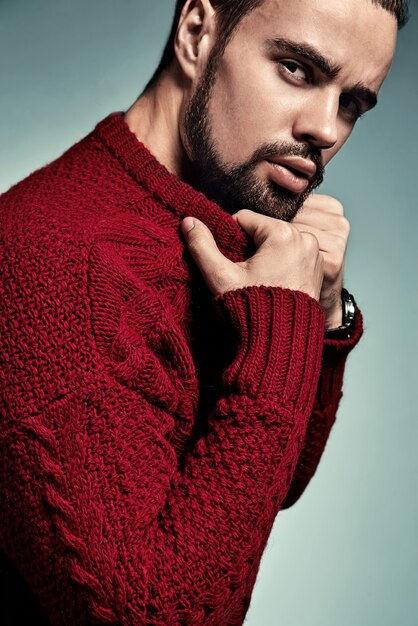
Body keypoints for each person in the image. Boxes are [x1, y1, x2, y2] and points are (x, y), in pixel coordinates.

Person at [0, 0, 407, 624]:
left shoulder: (211, 226)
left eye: (352, 101)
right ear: (197, 32)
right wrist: (280, 326)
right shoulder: (56, 260)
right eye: (297, 69)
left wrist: (318, 318)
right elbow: (152, 615)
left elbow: (260, 488)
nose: (326, 128)